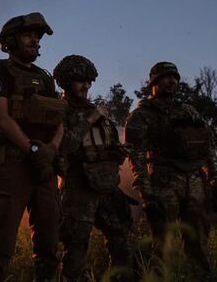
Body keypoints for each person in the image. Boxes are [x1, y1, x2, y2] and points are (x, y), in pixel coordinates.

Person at [0, 12, 66, 281]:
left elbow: (60, 120)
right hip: (13, 166)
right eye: (28, 35)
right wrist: (32, 149)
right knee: (2, 245)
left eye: (37, 37)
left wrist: (51, 150)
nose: (34, 41)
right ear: (10, 41)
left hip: (44, 170)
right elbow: (1, 118)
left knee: (49, 245)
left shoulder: (45, 78)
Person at [124, 62, 217, 273]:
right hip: (163, 182)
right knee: (163, 242)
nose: (172, 81)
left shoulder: (189, 111)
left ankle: (201, 276)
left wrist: (216, 180)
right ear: (154, 82)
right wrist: (147, 194)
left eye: (175, 78)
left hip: (194, 183)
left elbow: (208, 147)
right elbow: (137, 156)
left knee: (198, 241)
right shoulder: (142, 115)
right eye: (165, 77)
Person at [52, 55, 134, 281]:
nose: (86, 86)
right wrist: (89, 119)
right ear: (66, 82)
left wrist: (118, 153)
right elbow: (64, 147)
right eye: (80, 80)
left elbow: (110, 148)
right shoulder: (59, 111)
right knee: (75, 248)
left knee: (121, 243)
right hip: (77, 189)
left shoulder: (97, 114)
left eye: (89, 81)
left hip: (107, 188)